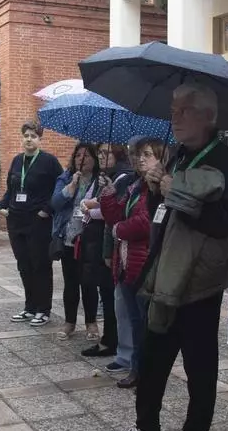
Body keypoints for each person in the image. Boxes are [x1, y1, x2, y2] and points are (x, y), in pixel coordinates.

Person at [100, 83, 228, 431]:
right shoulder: (178, 153)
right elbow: (159, 212)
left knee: (199, 366)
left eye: (184, 111)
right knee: (153, 355)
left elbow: (222, 223)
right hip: (164, 274)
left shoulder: (223, 162)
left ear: (207, 117)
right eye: (174, 110)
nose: (174, 118)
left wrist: (171, 187)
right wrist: (153, 187)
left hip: (199, 280)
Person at [97, 138, 162, 390]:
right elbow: (115, 215)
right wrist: (109, 195)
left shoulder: (156, 189)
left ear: (161, 158)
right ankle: (137, 368)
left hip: (142, 265)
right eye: (137, 154)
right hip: (125, 265)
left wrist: (118, 230)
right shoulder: (136, 185)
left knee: (144, 323)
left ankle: (143, 370)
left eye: (147, 154)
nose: (140, 159)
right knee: (135, 322)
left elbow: (146, 223)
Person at [0, 122, 64, 327]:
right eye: (26, 135)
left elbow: (59, 189)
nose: (29, 139)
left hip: (38, 221)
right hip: (16, 219)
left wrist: (47, 209)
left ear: (40, 138)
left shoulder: (49, 162)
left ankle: (43, 310)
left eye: (33, 136)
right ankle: (30, 307)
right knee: (24, 265)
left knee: (40, 265)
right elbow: (11, 188)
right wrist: (2, 205)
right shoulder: (17, 161)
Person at [80, 143, 129, 358]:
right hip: (97, 241)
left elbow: (110, 212)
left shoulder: (122, 176)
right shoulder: (105, 175)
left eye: (107, 152)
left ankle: (112, 341)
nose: (102, 156)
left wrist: (92, 207)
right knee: (105, 293)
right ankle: (109, 339)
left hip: (110, 243)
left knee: (111, 297)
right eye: (99, 153)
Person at [51, 143, 102, 340]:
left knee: (89, 283)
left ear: (95, 159)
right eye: (78, 155)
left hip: (90, 239)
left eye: (87, 155)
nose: (82, 159)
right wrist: (71, 186)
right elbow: (55, 203)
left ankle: (91, 324)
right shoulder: (65, 177)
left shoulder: (99, 180)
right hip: (69, 239)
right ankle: (69, 322)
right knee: (70, 283)